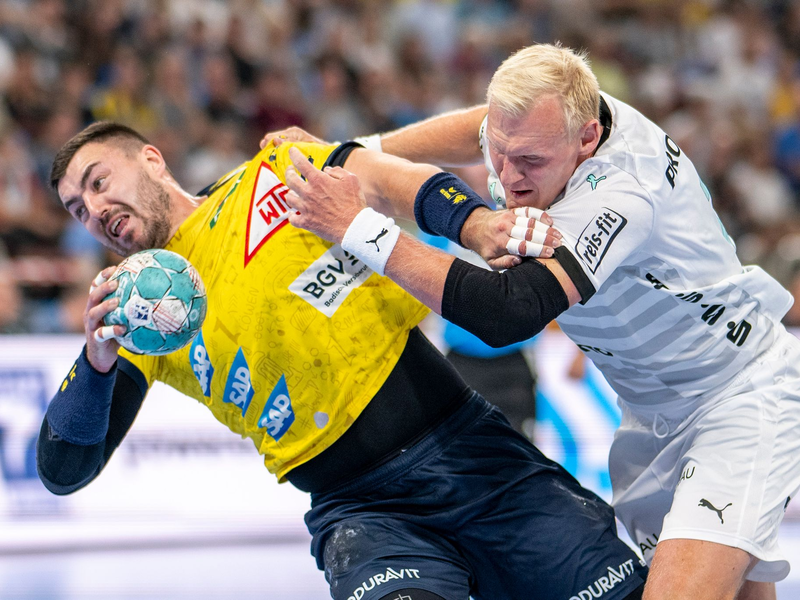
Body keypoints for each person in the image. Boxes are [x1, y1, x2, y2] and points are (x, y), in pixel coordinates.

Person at [36, 121, 648, 600]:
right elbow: (63, 470)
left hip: (472, 453)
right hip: (364, 517)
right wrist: (96, 360)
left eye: (98, 182)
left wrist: (476, 224)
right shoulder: (136, 320)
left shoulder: (270, 174)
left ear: (151, 160)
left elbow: (391, 180)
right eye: (77, 209)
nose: (94, 208)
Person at [277, 43, 800, 600]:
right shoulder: (551, 126)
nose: (507, 177)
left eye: (528, 161)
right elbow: (477, 127)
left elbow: (507, 311)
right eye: (499, 154)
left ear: (587, 140)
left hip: (736, 397)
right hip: (652, 412)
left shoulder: (622, 189)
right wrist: (359, 150)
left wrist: (359, 228)